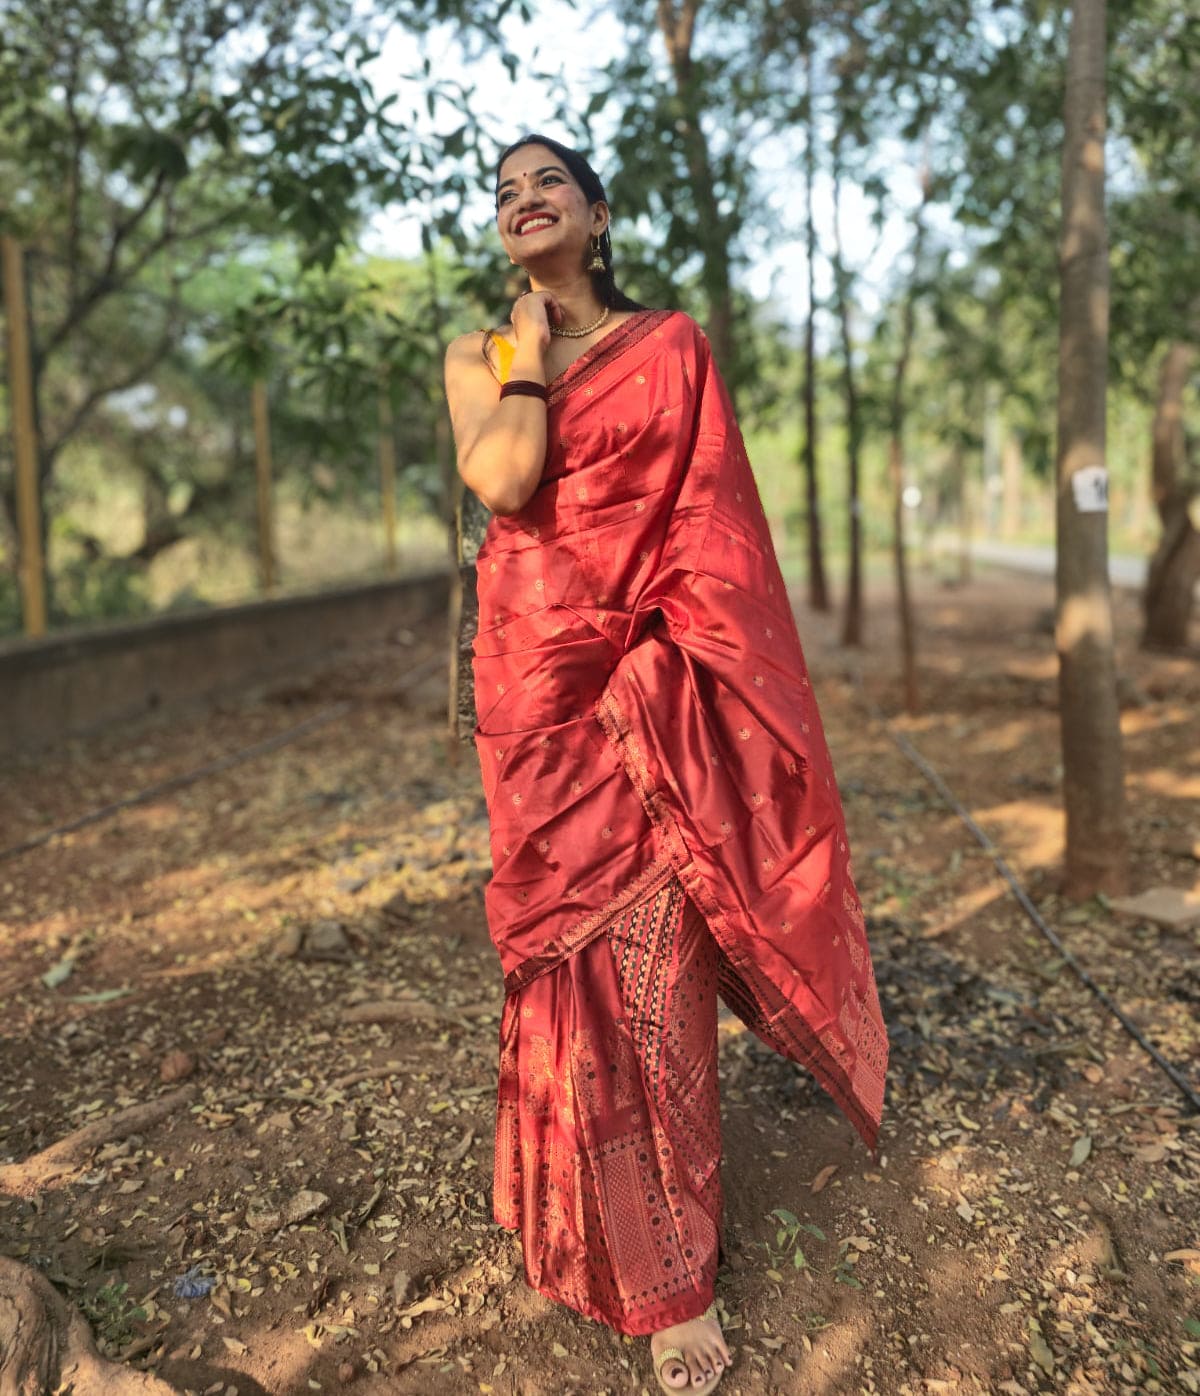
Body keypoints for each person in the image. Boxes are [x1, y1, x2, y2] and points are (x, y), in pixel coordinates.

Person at [443, 133, 889, 1396]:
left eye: (548, 185)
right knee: (561, 956)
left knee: (654, 970)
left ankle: (670, 1276)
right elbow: (508, 478)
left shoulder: (674, 347)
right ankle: (563, 1203)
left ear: (596, 211)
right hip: (535, 691)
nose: (525, 203)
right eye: (505, 193)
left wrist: (671, 666)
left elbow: (716, 540)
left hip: (654, 689)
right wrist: (527, 357)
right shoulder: (477, 360)